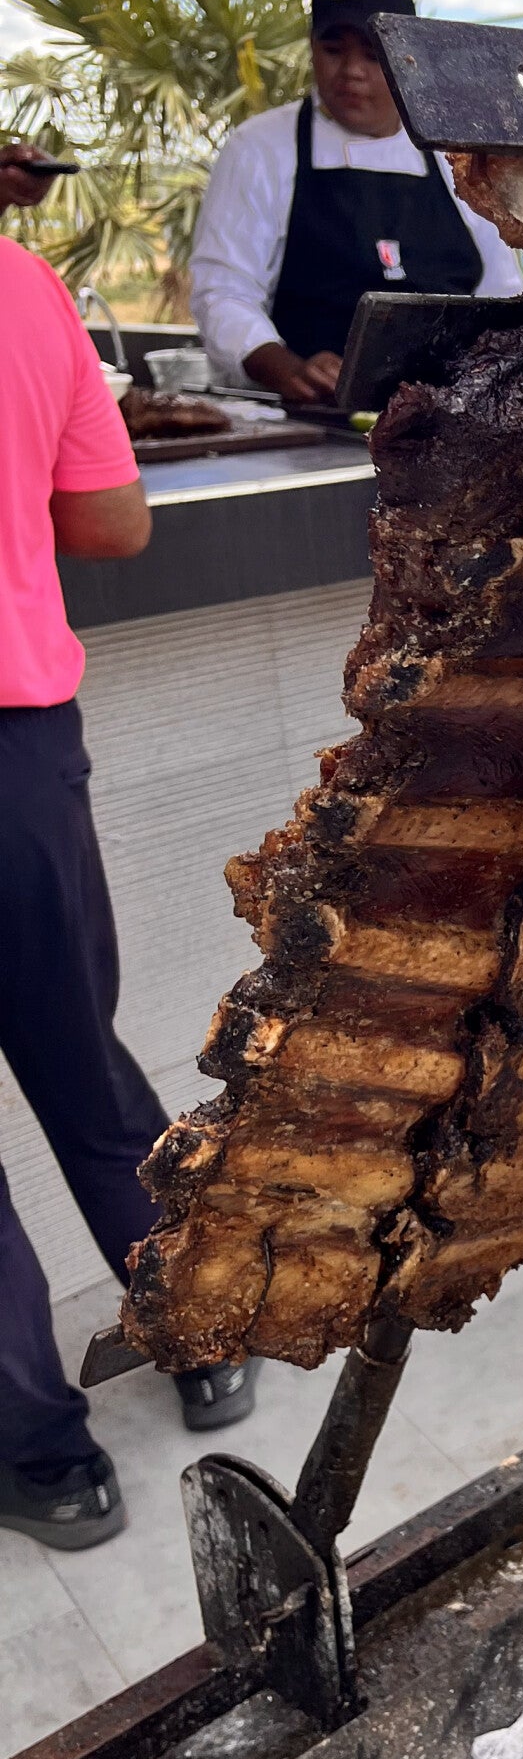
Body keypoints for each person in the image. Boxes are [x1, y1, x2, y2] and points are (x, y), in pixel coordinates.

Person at [0, 145, 254, 1550]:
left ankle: (47, 1463)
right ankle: (202, 1328)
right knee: (81, 1063)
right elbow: (113, 521)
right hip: (19, 756)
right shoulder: (24, 289)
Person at [191, 0, 523, 403]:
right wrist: (286, 368)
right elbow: (223, 293)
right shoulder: (260, 147)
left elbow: (502, 295)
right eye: (334, 50)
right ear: (312, 48)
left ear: (408, 57)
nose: (352, 71)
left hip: (443, 416)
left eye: (373, 53)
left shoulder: (457, 156)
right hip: (309, 420)